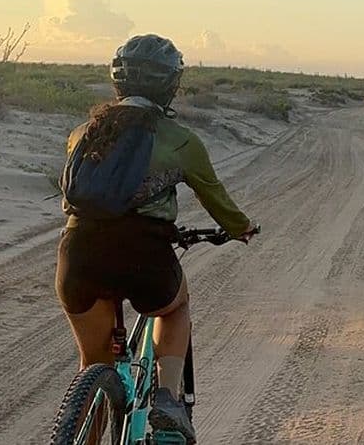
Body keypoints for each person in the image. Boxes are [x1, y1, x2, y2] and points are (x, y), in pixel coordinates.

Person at [55, 34, 255, 443]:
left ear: (118, 81)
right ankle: (166, 397)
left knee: (92, 363)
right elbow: (217, 200)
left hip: (78, 255)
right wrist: (241, 228)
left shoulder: (81, 134)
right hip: (144, 256)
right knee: (175, 307)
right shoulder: (181, 140)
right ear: (171, 84)